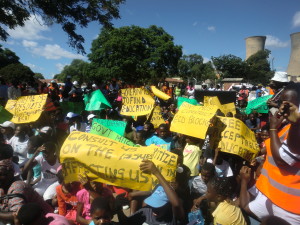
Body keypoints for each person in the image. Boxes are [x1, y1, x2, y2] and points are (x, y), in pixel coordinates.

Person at [239, 83, 300, 224]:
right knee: (245, 208)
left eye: (288, 104)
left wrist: (272, 128)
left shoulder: (294, 128)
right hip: (269, 195)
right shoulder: (287, 127)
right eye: (280, 103)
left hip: (289, 208)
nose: (282, 108)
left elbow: (281, 159)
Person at [117, 160, 185, 225]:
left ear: (168, 205)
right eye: (153, 204)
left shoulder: (173, 217)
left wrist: (156, 172)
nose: (154, 210)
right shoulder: (146, 211)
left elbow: (176, 205)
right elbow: (126, 223)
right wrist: (118, 210)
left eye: (158, 206)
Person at [0, 159, 53, 224]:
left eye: (1, 174)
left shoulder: (17, 187)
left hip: (43, 221)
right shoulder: (3, 186)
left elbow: (17, 216)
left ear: (11, 173)